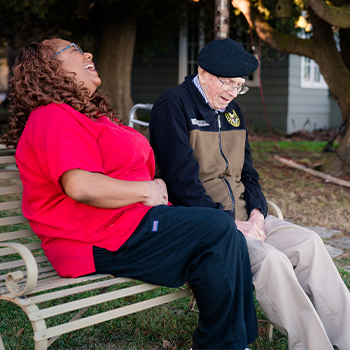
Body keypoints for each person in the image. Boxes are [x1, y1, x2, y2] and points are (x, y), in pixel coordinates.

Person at [0, 38, 258, 350]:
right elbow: (81, 186)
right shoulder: (51, 116)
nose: (88, 54)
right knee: (217, 228)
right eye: (73, 50)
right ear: (47, 68)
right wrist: (145, 190)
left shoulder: (92, 117)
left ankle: (232, 343)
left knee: (215, 243)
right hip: (94, 239)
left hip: (127, 228)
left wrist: (152, 190)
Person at [149, 38, 350, 350]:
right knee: (272, 261)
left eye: (239, 86)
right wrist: (233, 223)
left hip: (248, 218)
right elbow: (181, 186)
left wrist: (257, 213)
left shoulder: (232, 110)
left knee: (310, 243)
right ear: (202, 73)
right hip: (208, 227)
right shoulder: (173, 106)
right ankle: (314, 346)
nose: (232, 92)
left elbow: (249, 174)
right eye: (226, 82)